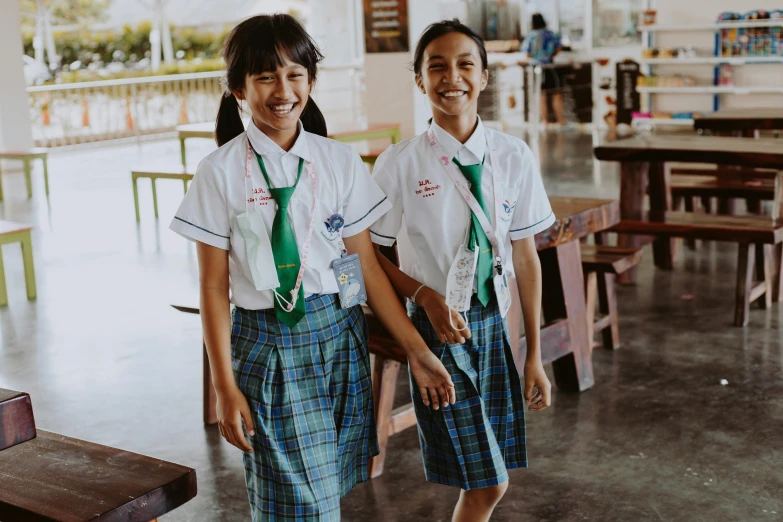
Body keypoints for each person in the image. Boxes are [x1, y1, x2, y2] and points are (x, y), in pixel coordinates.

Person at [169, 14, 454, 521]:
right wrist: (223, 386)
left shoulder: (338, 162)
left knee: (325, 493)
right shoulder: (218, 172)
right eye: (265, 77)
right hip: (269, 343)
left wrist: (415, 350)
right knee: (297, 504)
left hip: (339, 341)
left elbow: (363, 264)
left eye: (295, 74)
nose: (283, 90)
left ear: (311, 82)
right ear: (238, 88)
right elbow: (213, 287)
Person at [370, 19, 555, 522]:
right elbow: (371, 259)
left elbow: (525, 257)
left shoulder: (514, 157)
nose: (453, 77)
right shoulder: (399, 164)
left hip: (492, 322)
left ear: (485, 76)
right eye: (437, 66)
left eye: (465, 64)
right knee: (488, 482)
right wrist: (425, 296)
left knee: (486, 477)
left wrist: (533, 355)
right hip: (434, 333)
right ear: (419, 80)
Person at [521, 13, 566, 126]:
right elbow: (560, 47)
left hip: (537, 69)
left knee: (542, 96)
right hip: (550, 67)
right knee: (556, 94)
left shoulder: (531, 36)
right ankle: (561, 121)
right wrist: (551, 55)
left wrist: (536, 56)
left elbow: (527, 53)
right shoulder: (551, 34)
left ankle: (545, 122)